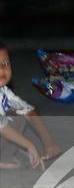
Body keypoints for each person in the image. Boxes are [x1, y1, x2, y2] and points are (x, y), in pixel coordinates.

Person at [0, 41, 61, 169]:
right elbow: (2, 127)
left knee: (19, 114)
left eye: (5, 64)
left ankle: (5, 155)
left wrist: (49, 143)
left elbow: (29, 112)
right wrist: (29, 145)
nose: (2, 70)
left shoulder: (4, 92)